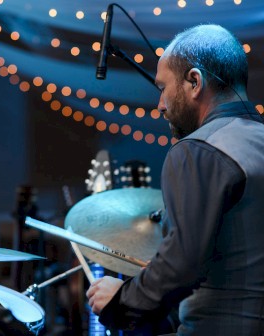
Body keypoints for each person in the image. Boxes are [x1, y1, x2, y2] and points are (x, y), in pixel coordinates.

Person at [87, 24, 264, 335]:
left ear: (194, 82)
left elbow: (182, 265)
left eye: (163, 88)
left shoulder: (197, 151)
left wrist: (121, 299)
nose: (160, 105)